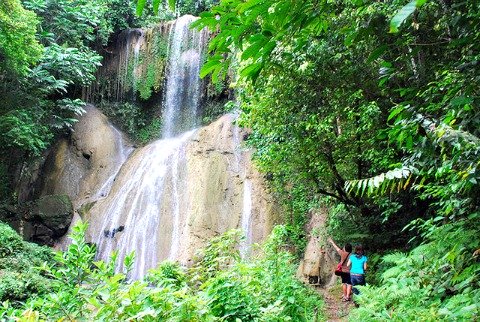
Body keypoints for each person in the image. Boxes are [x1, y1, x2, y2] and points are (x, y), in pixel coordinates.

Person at [327, 237, 352, 301]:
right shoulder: (352, 255)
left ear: (345, 248)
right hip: (350, 271)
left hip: (343, 271)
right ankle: (348, 296)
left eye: (344, 247)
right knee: (349, 284)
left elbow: (336, 248)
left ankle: (345, 295)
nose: (343, 248)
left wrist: (331, 242)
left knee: (344, 283)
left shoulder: (342, 253)